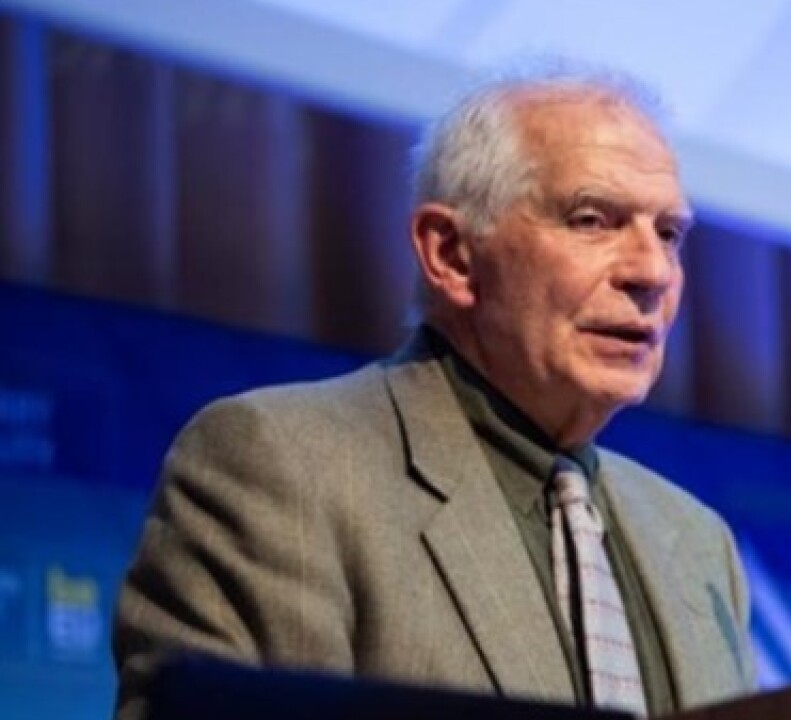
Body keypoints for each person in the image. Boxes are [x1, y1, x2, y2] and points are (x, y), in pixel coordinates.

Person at [112, 68, 756, 719]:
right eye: (591, 220)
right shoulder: (281, 468)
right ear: (450, 255)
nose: (652, 271)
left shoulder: (699, 544)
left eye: (668, 233)